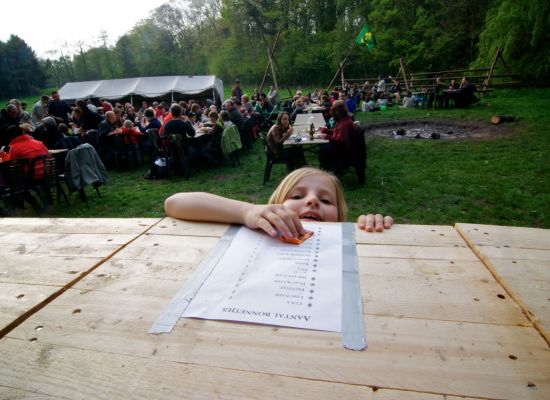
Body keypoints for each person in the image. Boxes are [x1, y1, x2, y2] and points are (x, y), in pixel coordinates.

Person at [165, 167, 393, 239]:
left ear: (341, 216)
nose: (312, 200)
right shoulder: (261, 224)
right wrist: (246, 211)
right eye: (296, 196)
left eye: (325, 200)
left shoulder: (344, 235)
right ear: (273, 206)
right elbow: (174, 203)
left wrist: (371, 227)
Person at [318, 100, 353, 174]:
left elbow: (341, 140)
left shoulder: (345, 123)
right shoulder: (343, 120)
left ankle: (332, 169)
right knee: (323, 147)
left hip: (342, 149)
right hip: (340, 146)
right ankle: (328, 167)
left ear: (338, 112)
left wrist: (327, 136)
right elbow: (337, 132)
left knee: (324, 150)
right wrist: (325, 130)